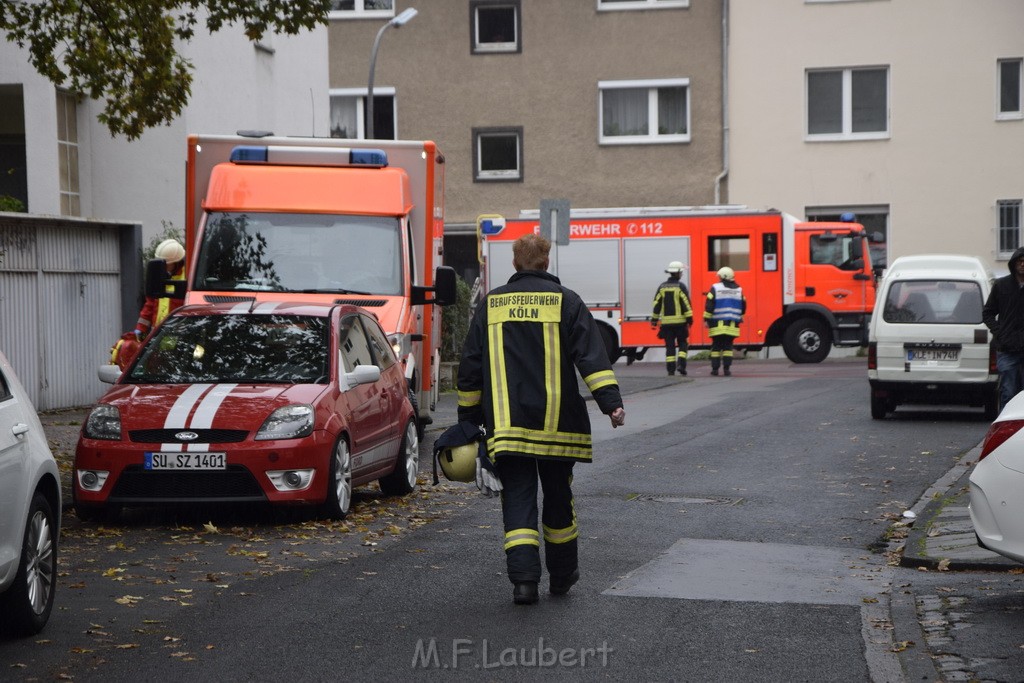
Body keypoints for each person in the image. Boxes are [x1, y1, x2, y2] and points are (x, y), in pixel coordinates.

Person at [456, 233, 626, 606]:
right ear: (546, 263)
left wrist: (469, 421)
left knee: (517, 500)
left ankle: (524, 583)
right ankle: (563, 576)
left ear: (515, 265)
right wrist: (611, 403)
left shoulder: (491, 304)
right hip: (558, 427)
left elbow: (470, 368)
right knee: (558, 498)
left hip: (507, 427)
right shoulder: (568, 302)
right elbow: (591, 359)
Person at [983, 246, 1024, 410]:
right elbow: (987, 313)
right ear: (1014, 264)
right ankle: (1006, 430)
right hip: (1007, 349)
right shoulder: (1002, 285)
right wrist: (1000, 333)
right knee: (1008, 392)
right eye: (1020, 262)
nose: (1023, 265)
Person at [128, 239, 186, 341]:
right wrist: (140, 329)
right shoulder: (158, 277)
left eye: (166, 264)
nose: (163, 267)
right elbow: (149, 306)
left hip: (179, 341)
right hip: (157, 339)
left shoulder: (187, 278)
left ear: (177, 263)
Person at [651, 260, 694, 376]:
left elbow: (657, 304)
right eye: (681, 272)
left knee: (670, 347)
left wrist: (654, 320)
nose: (682, 274)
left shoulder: (662, 287)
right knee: (683, 344)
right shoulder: (681, 287)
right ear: (678, 273)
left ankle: (670, 370)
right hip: (680, 323)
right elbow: (686, 304)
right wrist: (690, 319)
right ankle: (681, 365)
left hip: (666, 324)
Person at [704, 266, 746, 376]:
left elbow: (709, 304)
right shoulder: (739, 290)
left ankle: (715, 370)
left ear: (723, 276)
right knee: (728, 347)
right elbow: (743, 305)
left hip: (717, 324)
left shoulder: (716, 288)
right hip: (732, 324)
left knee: (716, 347)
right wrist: (740, 316)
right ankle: (727, 369)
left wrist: (706, 319)